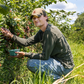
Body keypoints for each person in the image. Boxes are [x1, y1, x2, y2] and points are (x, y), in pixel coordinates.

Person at [0, 8, 74, 80]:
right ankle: (53, 78)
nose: (35, 19)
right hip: (57, 62)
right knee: (35, 63)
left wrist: (25, 54)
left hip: (65, 66)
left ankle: (58, 80)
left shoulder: (50, 31)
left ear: (46, 17)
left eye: (38, 16)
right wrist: (10, 35)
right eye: (33, 18)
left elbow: (45, 56)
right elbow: (26, 42)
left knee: (31, 63)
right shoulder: (42, 31)